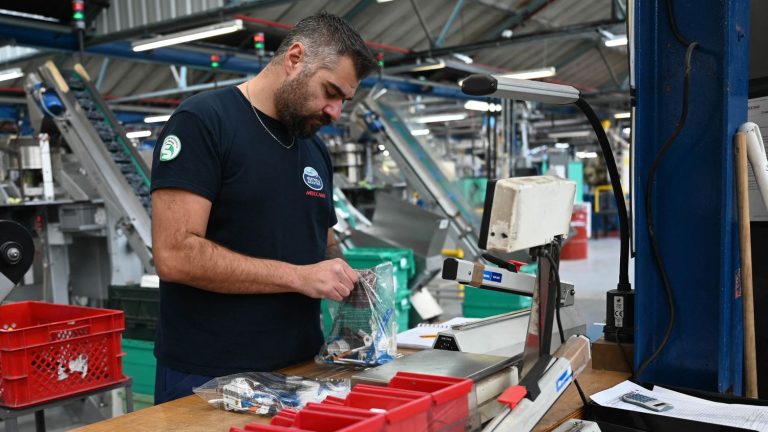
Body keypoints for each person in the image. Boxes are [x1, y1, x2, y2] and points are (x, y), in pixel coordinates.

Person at [150, 12, 378, 404]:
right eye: (330, 91)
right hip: (209, 376)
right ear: (294, 59)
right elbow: (175, 255)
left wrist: (350, 282)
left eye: (344, 100)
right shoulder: (204, 123)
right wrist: (299, 277)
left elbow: (322, 239)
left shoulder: (314, 149)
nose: (335, 112)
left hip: (302, 368)